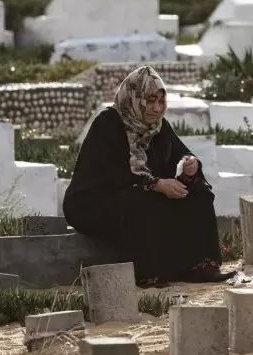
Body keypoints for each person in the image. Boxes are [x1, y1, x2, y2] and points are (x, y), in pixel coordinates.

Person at [63, 65, 231, 285]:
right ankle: (148, 272)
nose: (156, 108)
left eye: (161, 102)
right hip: (94, 203)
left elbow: (181, 155)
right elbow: (112, 174)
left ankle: (200, 266)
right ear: (135, 98)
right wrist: (155, 184)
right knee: (144, 203)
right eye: (150, 101)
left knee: (198, 192)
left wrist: (189, 167)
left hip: (139, 193)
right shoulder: (109, 123)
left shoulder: (159, 127)